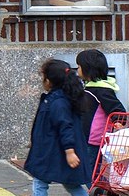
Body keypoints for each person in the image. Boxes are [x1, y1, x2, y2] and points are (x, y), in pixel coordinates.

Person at [23, 58, 91, 196]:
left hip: (54, 151)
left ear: (49, 80)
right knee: (71, 184)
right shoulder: (62, 98)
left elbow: (64, 126)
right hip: (53, 149)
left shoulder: (57, 102)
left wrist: (69, 152)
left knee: (40, 182)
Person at [76, 48, 125, 167]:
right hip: (86, 137)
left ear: (88, 68)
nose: (77, 69)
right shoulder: (90, 88)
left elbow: (116, 108)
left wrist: (119, 121)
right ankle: (99, 185)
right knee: (90, 169)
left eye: (79, 66)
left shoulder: (101, 90)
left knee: (89, 170)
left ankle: (98, 186)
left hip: (94, 138)